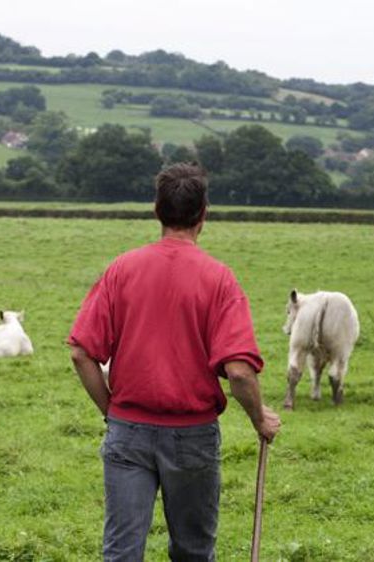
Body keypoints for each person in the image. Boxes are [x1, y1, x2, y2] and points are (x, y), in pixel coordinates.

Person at [67, 162, 281, 562]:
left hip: (128, 431)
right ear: (203, 215)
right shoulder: (219, 279)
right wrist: (259, 418)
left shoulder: (121, 269)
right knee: (193, 552)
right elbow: (238, 370)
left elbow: (81, 352)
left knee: (121, 552)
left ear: (156, 210)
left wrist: (112, 411)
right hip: (193, 436)